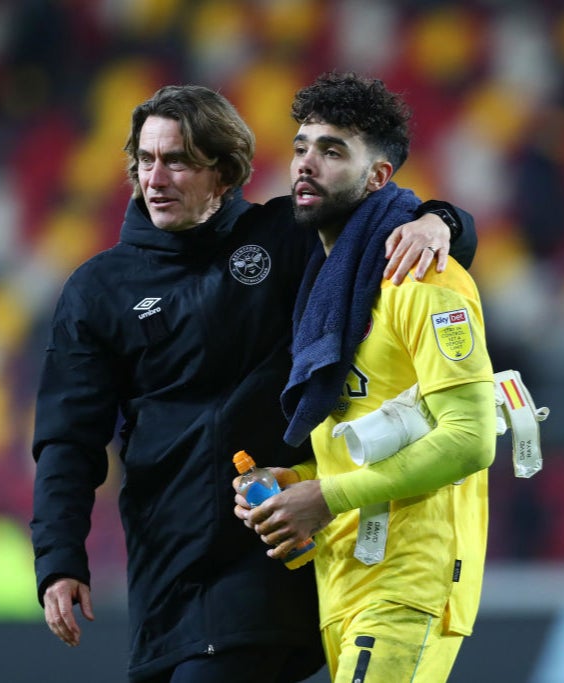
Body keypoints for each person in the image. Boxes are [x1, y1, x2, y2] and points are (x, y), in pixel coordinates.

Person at [30, 83, 478, 683]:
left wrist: (441, 221)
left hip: (268, 555)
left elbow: (380, 222)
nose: (155, 177)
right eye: (145, 159)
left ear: (224, 173)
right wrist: (58, 557)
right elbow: (68, 438)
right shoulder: (98, 290)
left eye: (179, 160)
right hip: (165, 558)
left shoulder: (284, 240)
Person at [234, 72, 497, 682]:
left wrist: (323, 497)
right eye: (302, 146)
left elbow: (470, 437)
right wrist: (296, 482)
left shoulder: (423, 276)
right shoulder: (327, 286)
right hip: (344, 576)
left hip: (411, 575)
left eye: (332, 151)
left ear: (378, 177)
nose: (306, 164)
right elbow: (370, 427)